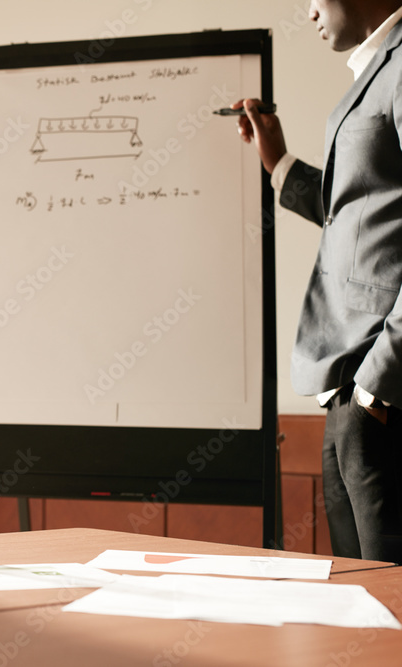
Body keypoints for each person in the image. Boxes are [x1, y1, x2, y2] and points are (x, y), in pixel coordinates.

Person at [235, 0, 402, 563]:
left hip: (381, 389)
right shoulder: (374, 71)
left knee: (392, 606)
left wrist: (379, 383)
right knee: (362, 601)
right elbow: (351, 215)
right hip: (346, 389)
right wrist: (277, 159)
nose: (309, 11)